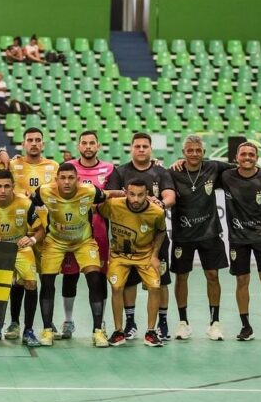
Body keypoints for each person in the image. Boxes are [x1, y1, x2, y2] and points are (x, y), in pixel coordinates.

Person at [30, 162, 116, 347]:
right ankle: (47, 330)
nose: (67, 182)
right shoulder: (44, 191)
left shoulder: (90, 191)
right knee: (47, 282)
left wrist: (123, 193)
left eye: (71, 178)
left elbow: (107, 196)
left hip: (83, 241)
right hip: (55, 241)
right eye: (63, 178)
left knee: (95, 279)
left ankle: (98, 331)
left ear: (78, 179)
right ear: (56, 180)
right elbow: (27, 200)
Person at [106, 132, 176, 341]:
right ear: (132, 148)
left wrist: (160, 203)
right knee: (127, 283)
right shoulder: (121, 171)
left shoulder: (160, 172)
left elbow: (170, 195)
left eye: (145, 146)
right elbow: (109, 194)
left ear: (150, 149)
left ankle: (161, 323)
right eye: (138, 146)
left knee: (160, 281)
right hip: (128, 238)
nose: (142, 149)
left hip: (155, 237)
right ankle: (129, 323)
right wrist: (133, 195)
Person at [167, 135, 232, 341]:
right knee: (181, 277)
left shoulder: (214, 167)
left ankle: (214, 323)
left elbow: (243, 168)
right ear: (183, 152)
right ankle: (183, 323)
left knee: (213, 276)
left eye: (198, 150)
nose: (194, 154)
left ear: (203, 152)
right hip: (183, 234)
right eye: (190, 150)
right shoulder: (173, 172)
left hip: (209, 233)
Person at [221, 142, 261, 342]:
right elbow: (200, 168)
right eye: (243, 154)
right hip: (238, 238)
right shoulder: (226, 176)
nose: (247, 157)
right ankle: (246, 326)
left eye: (251, 154)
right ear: (237, 157)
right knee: (242, 280)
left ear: (256, 157)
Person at [0, 169, 45, 347]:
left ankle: (28, 330)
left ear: (13, 187)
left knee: (31, 283)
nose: (2, 190)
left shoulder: (25, 203)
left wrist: (32, 239)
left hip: (19, 248)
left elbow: (40, 229)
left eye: (6, 186)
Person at [59, 130, 115, 340]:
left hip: (99, 234)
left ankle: (100, 324)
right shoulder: (68, 168)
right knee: (69, 277)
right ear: (78, 146)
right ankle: (68, 320)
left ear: (98, 146)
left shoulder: (109, 169)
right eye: (84, 143)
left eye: (92, 143)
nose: (88, 147)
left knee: (99, 279)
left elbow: (115, 195)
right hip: (71, 233)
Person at [98, 179, 168, 347]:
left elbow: (161, 232)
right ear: (126, 193)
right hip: (119, 255)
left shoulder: (157, 212)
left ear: (147, 195)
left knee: (154, 286)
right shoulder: (114, 204)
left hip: (145, 255)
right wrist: (115, 193)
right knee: (116, 287)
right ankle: (118, 331)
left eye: (140, 195)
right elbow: (96, 203)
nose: (136, 200)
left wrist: (155, 255)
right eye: (132, 195)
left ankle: (151, 332)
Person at [7, 127, 58, 340]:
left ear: (43, 144)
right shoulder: (13, 164)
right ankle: (15, 322)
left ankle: (48, 322)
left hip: (46, 231)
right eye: (30, 140)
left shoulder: (53, 167)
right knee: (20, 279)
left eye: (38, 140)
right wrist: (3, 153)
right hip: (21, 231)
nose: (34, 143)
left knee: (47, 279)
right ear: (23, 144)